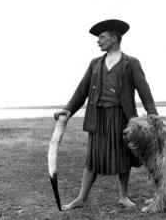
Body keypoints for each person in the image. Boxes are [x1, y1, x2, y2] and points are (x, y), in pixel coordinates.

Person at [54, 19, 158, 210]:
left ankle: (123, 196)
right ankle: (81, 198)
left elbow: (145, 92)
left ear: (114, 38)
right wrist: (68, 110)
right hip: (98, 118)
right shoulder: (95, 64)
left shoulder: (131, 63)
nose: (98, 41)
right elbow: (81, 91)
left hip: (122, 118)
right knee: (92, 158)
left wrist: (153, 116)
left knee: (123, 156)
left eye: (102, 37)